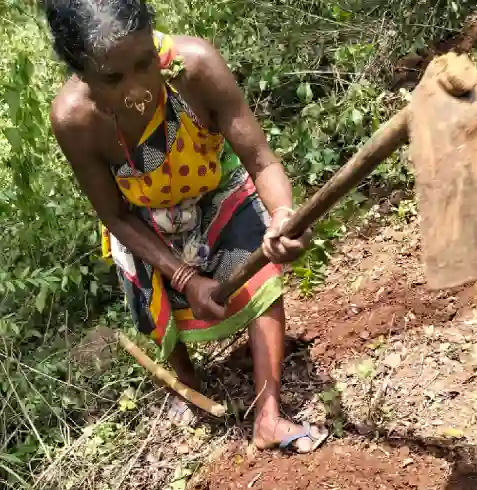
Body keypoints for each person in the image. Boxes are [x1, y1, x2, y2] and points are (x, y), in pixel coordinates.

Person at [44, 0, 328, 453]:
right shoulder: (74, 119)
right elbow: (114, 215)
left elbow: (260, 159)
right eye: (113, 79)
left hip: (213, 187)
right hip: (139, 217)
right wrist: (182, 276)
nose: (137, 89)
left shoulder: (195, 67)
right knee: (154, 305)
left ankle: (269, 416)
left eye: (144, 64)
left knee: (261, 276)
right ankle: (188, 383)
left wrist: (280, 215)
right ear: (81, 72)